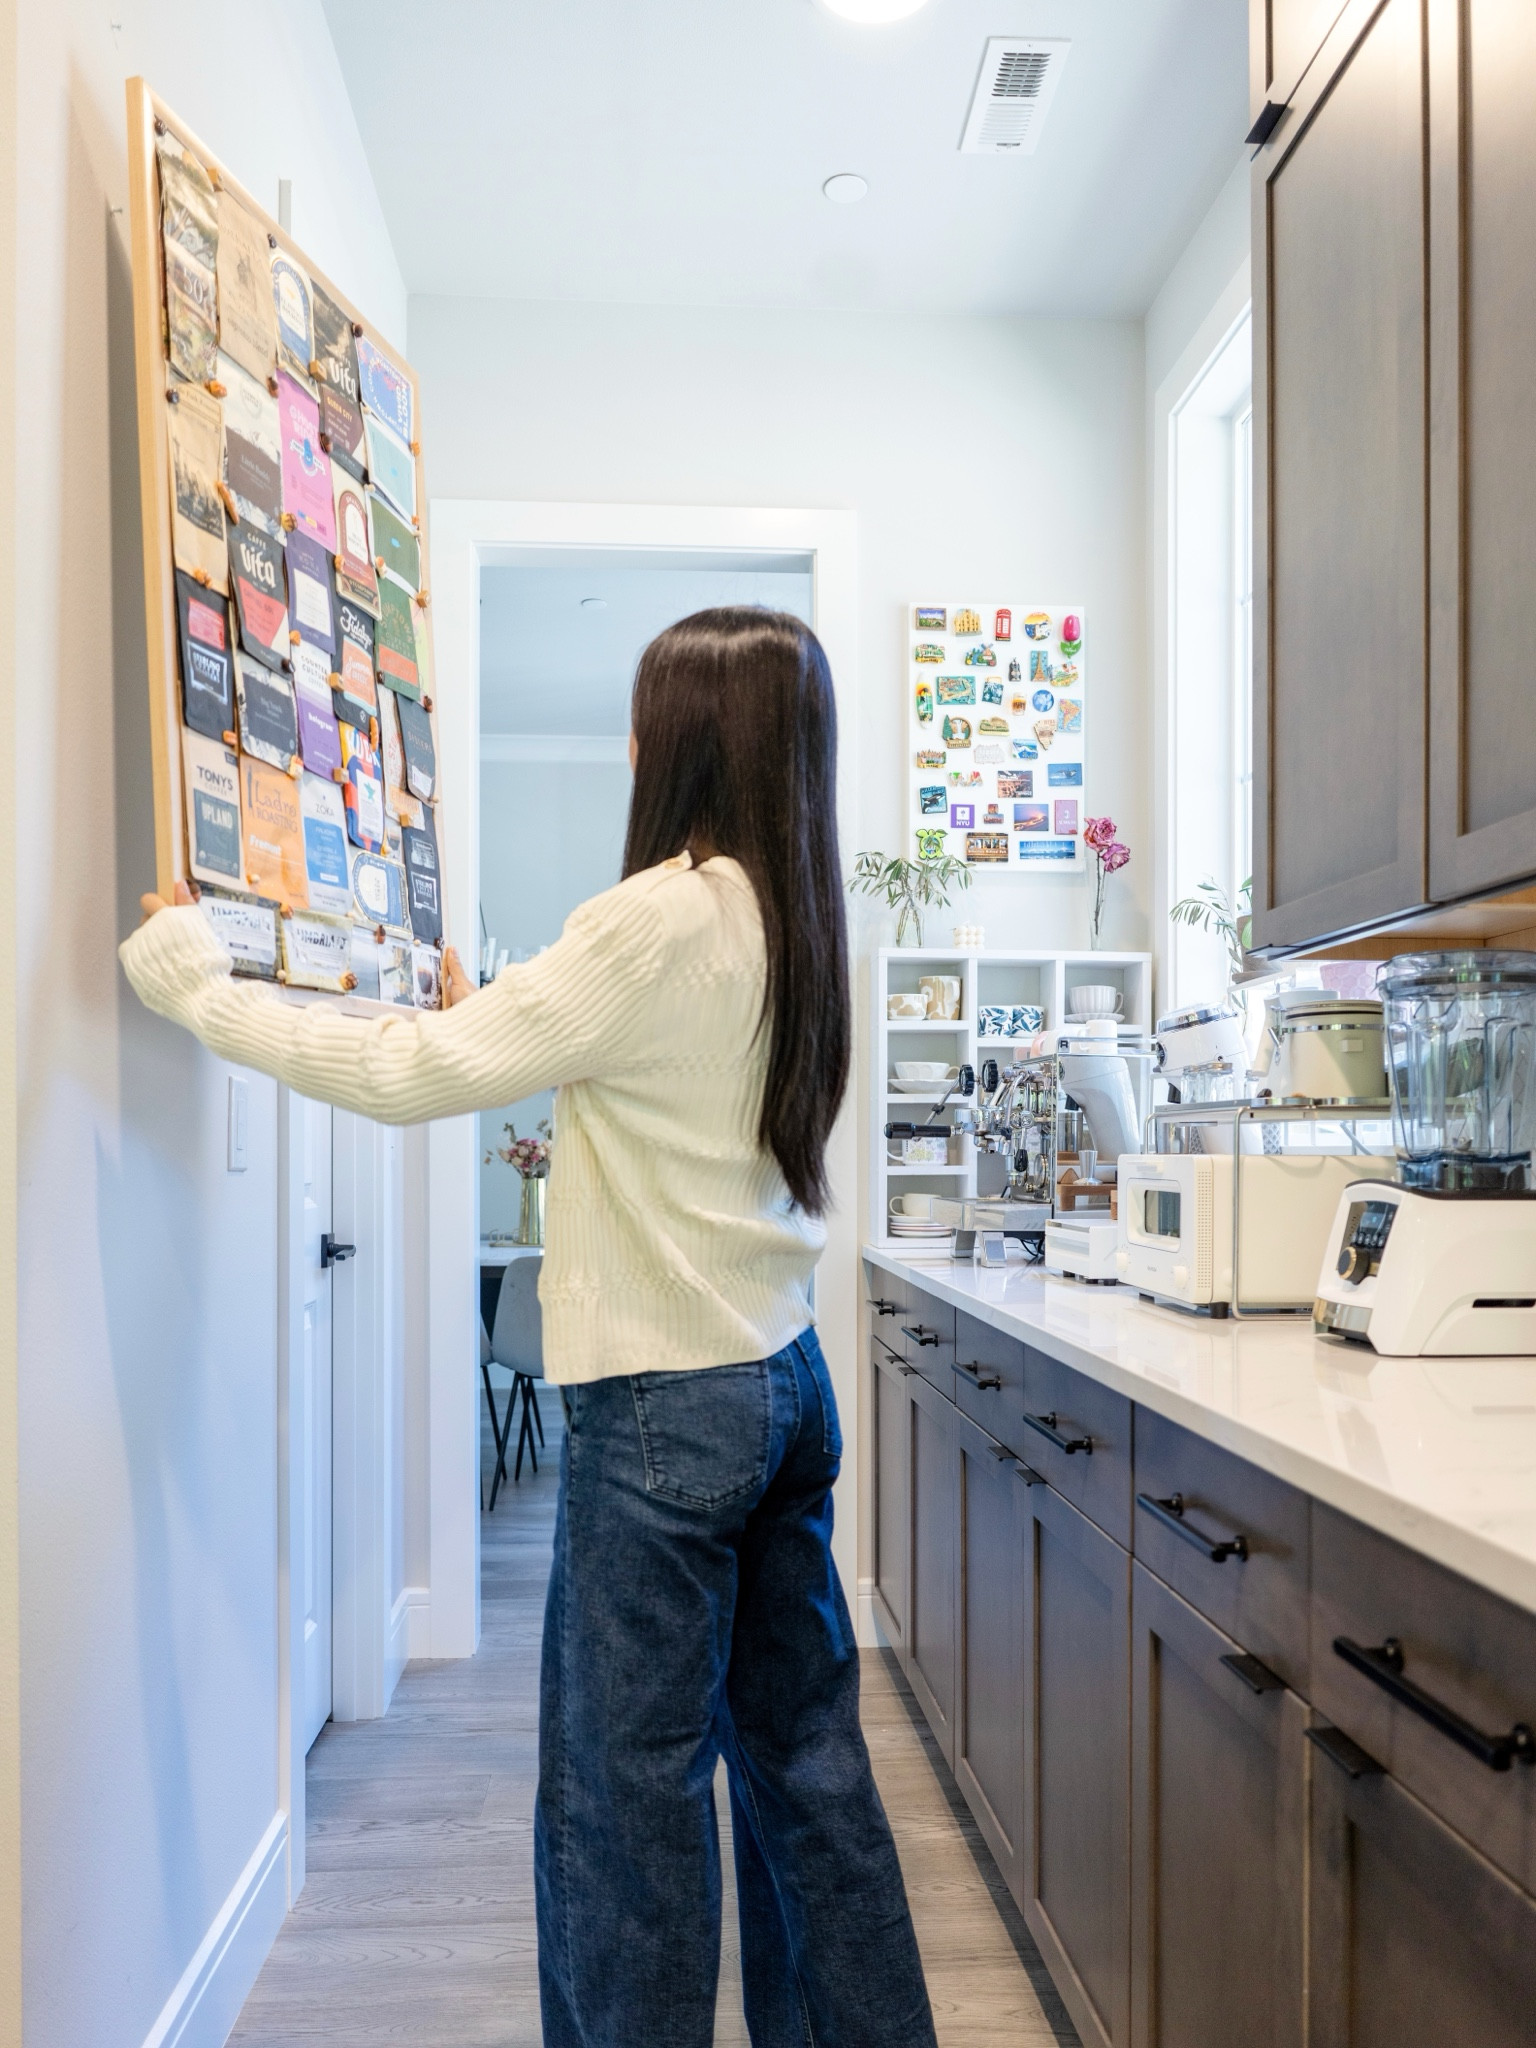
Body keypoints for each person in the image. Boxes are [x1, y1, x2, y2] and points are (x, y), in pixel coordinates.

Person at [121, 607, 938, 2048]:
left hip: (664, 1410)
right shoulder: (796, 915)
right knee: (809, 1772)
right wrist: (499, 1007)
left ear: (674, 743)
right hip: (782, 1380)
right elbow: (647, 1092)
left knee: (625, 1805)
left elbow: (413, 1075)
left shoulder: (652, 917)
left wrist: (202, 988)